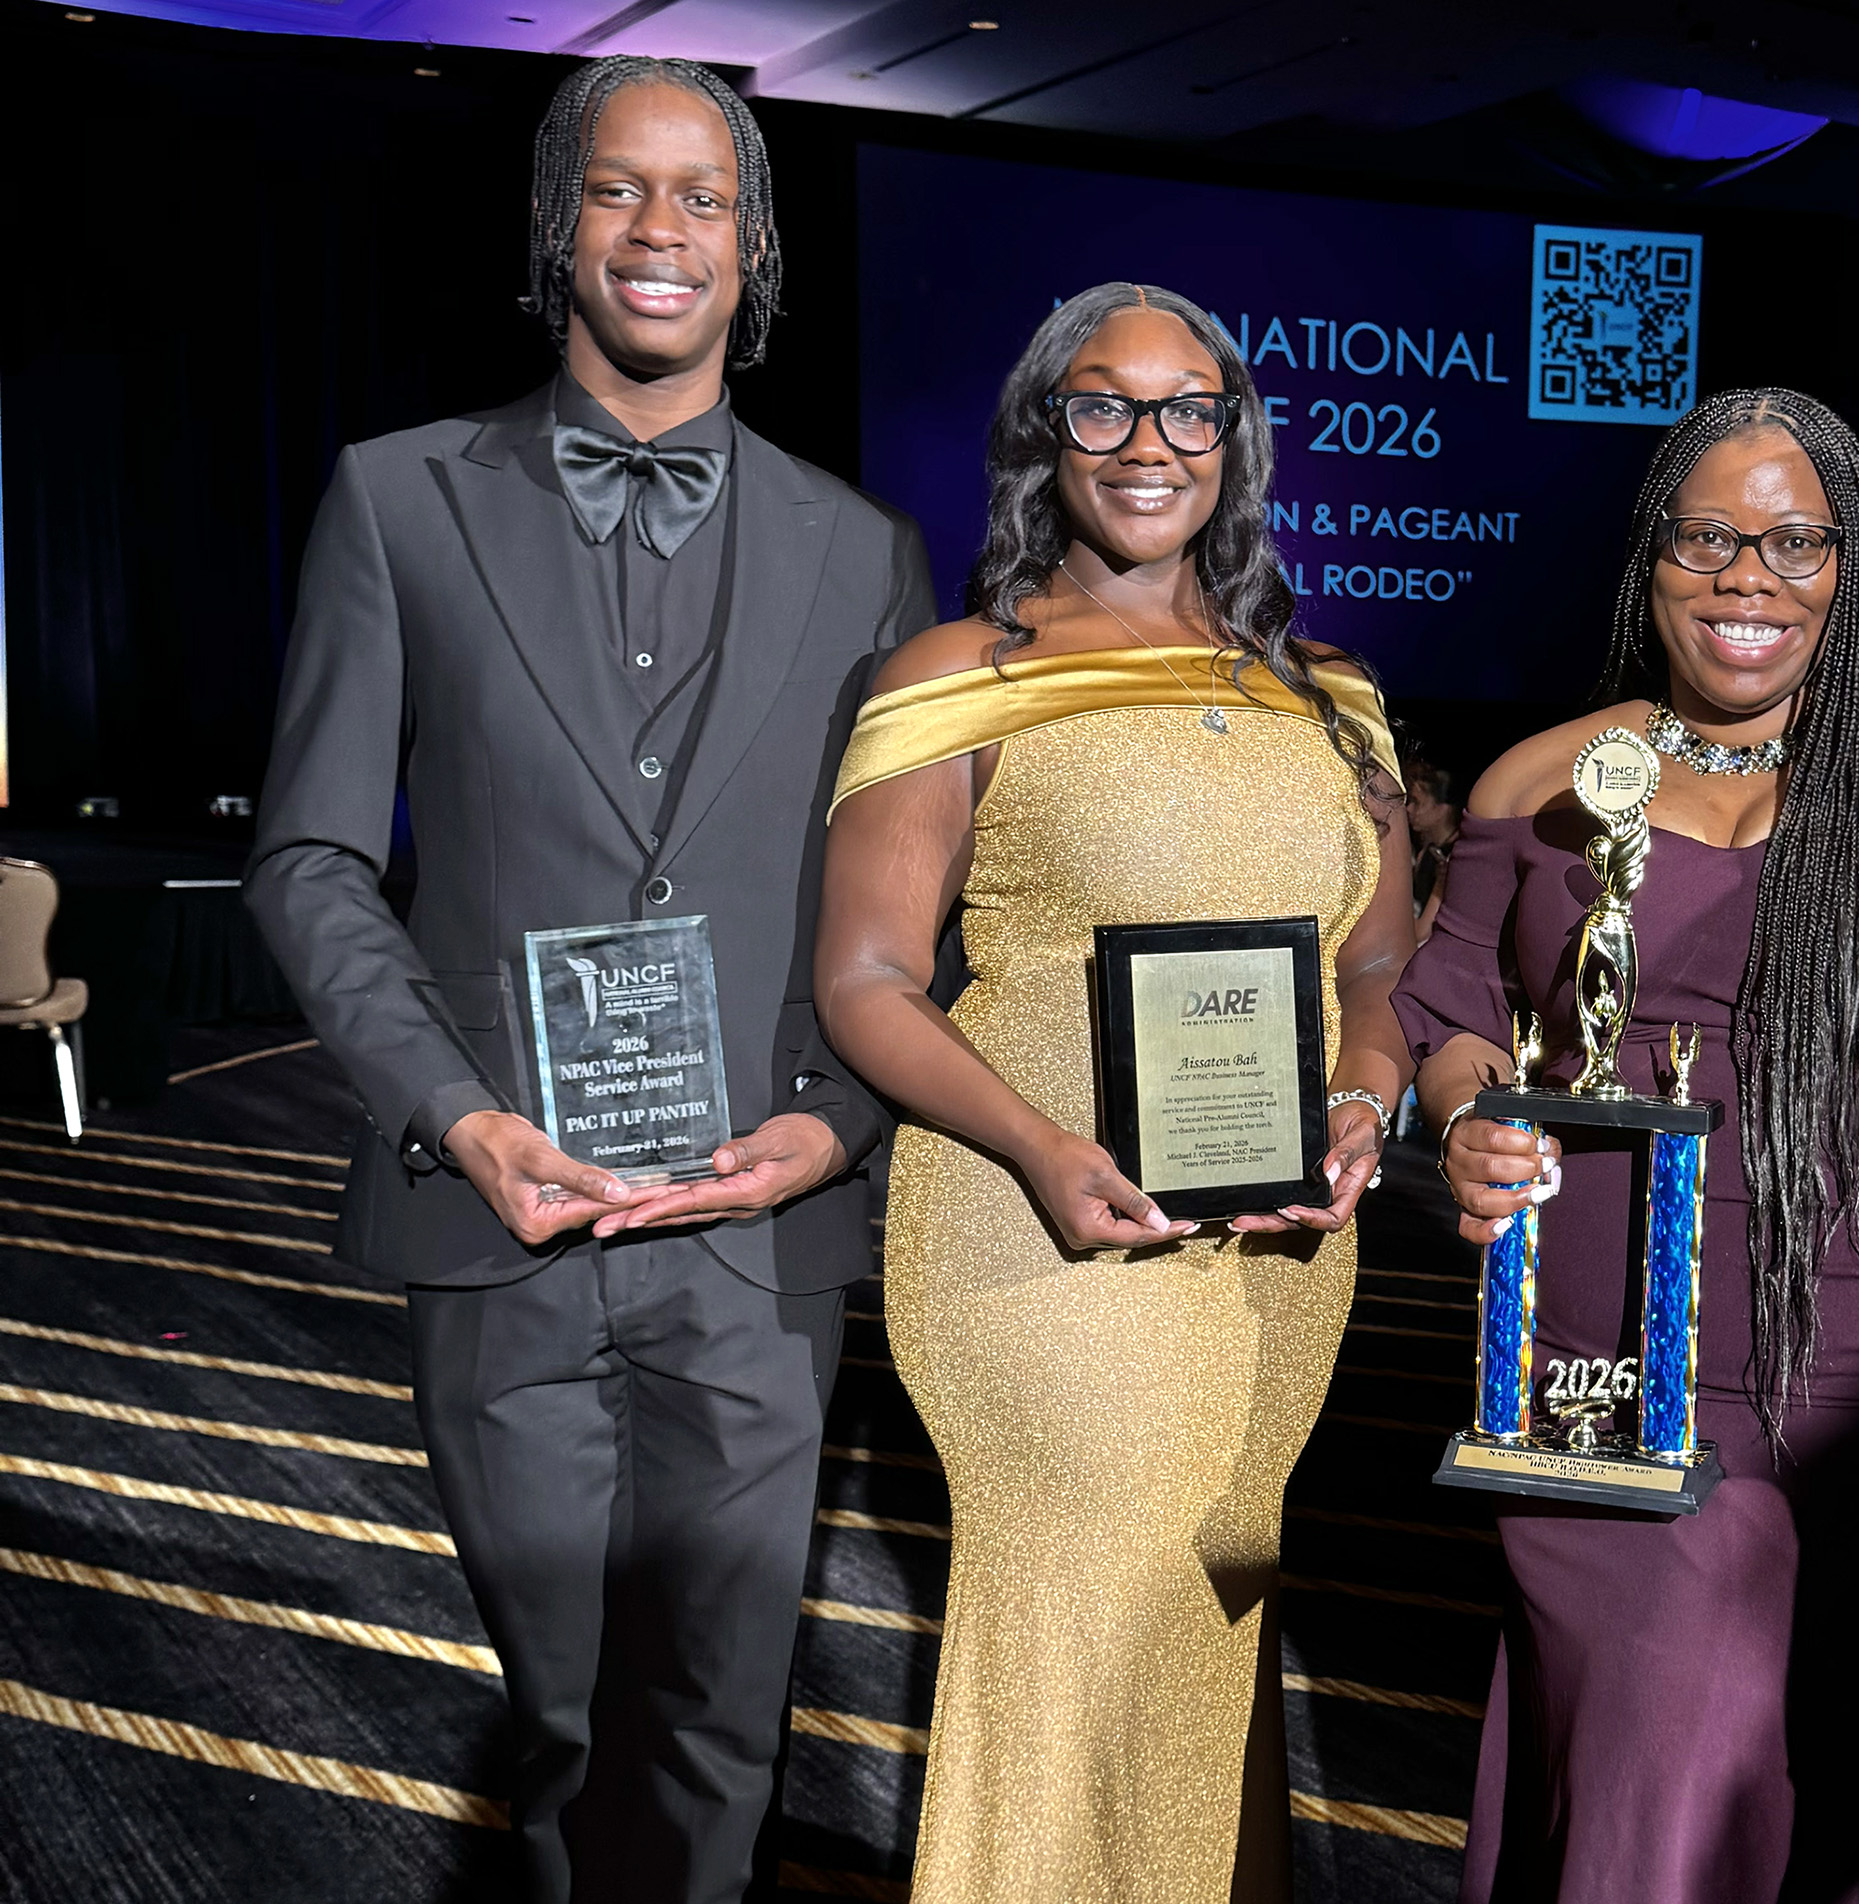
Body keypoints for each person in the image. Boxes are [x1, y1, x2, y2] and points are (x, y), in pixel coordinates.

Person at [240, 56, 933, 1904]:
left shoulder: (863, 553)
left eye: (702, 197)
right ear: (560, 224)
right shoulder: (395, 502)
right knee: (559, 1721)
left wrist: (834, 1115)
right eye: (620, 190)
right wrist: (455, 1110)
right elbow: (308, 860)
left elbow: (904, 910)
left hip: (751, 1227)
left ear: (754, 245)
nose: (659, 231)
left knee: (723, 1725)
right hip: (504, 1207)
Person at [813, 282, 1415, 1902]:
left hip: (1278, 1244)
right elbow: (864, 978)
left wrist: (1365, 1103)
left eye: (1185, 407)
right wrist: (1040, 1144)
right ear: (1042, 432)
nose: (1146, 443)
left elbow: (1376, 976)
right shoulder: (955, 673)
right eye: (1102, 404)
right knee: (1077, 1613)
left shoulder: (1330, 691)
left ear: (1233, 439)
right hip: (1043, 1232)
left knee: (1208, 1604)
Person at [1400, 388, 1859, 1904]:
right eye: (1710, 537)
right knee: (1653, 1745)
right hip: (1599, 1365)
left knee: (1798, 1764)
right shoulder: (1539, 785)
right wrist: (1471, 1115)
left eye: (1799, 542)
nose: (1750, 576)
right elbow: (1449, 1016)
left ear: (1855, 571)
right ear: (1648, 557)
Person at [1403, 748, 1465, 944]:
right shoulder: (1427, 851)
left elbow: (1419, 933)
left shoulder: (1459, 856)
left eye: (1416, 802)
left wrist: (1441, 884)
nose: (1408, 809)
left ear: (1443, 808)